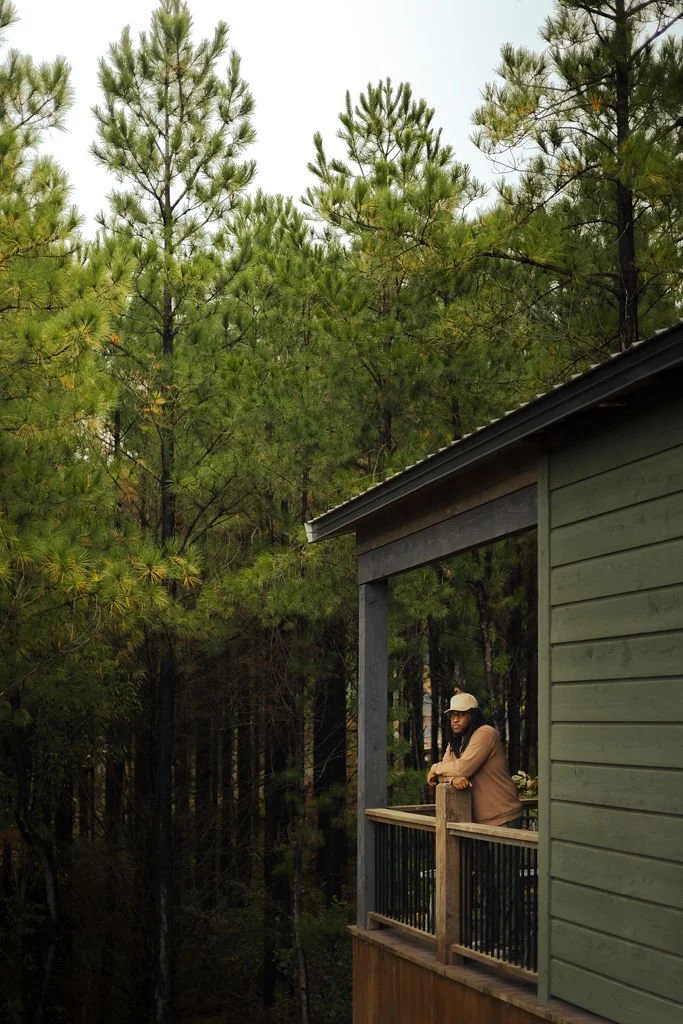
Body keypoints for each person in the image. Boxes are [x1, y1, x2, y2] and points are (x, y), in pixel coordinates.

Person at [427, 692, 521, 828]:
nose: (455, 720)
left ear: (473, 715)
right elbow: (446, 773)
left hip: (503, 818)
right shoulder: (456, 742)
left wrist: (434, 768)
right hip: (480, 823)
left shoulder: (486, 733)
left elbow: (463, 768)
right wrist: (452, 779)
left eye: (461, 714)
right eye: (452, 715)